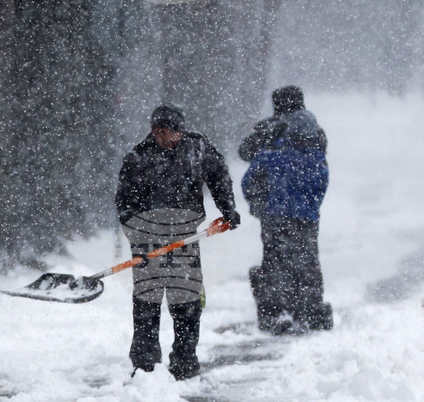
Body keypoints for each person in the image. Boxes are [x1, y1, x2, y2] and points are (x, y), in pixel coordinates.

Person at [116, 105, 240, 380]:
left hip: (185, 237)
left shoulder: (197, 148)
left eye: (169, 132)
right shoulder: (138, 157)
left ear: (180, 131)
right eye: (158, 132)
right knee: (147, 301)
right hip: (147, 241)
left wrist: (228, 209)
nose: (164, 138)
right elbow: (125, 203)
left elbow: (219, 176)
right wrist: (138, 235)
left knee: (186, 301)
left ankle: (185, 361)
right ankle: (146, 365)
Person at [242, 107, 332, 335]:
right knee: (306, 265)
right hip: (304, 220)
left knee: (277, 263)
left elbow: (249, 181)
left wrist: (259, 205)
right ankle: (307, 311)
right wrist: (310, 208)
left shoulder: (274, 154)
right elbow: (320, 190)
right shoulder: (317, 160)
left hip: (276, 217)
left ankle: (278, 311)